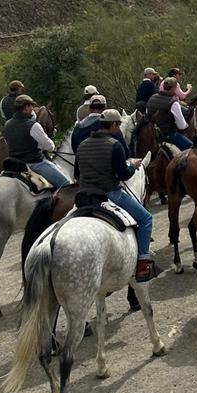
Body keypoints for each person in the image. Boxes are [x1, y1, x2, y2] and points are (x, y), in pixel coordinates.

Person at [76, 109, 155, 282]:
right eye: (118, 125)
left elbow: (76, 173)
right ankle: (142, 263)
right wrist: (133, 166)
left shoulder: (82, 145)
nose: (119, 128)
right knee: (146, 219)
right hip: (109, 193)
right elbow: (123, 175)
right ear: (112, 125)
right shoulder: (114, 145)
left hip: (83, 194)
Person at [2, 94, 70, 187]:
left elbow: (8, 143)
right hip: (35, 164)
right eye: (31, 106)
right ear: (26, 107)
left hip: (14, 164)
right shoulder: (33, 125)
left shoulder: (7, 124)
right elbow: (50, 147)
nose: (33, 109)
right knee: (66, 184)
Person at [147, 77, 193, 150]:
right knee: (192, 148)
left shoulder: (152, 97)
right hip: (168, 134)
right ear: (175, 88)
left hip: (151, 134)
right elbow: (181, 126)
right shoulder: (173, 103)